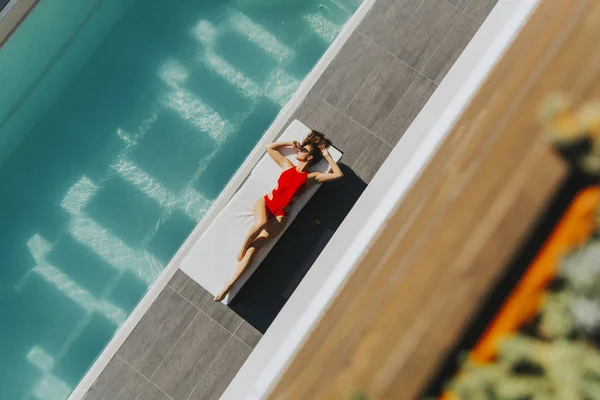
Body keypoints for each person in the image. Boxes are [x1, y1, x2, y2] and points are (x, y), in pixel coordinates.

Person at [214, 131, 343, 301]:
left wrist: (327, 156)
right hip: (266, 203)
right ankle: (243, 245)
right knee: (260, 224)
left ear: (310, 157)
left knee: (254, 250)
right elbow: (269, 147)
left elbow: (338, 174)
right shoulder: (287, 165)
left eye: (303, 149)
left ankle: (228, 285)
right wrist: (291, 143)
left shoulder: (311, 178)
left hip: (280, 215)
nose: (300, 150)